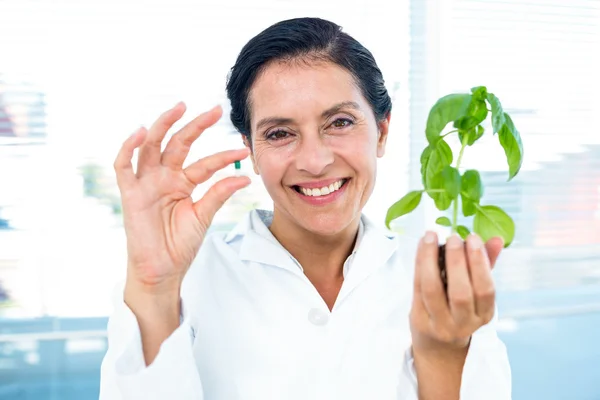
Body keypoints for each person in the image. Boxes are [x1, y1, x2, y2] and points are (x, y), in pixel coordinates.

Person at [99, 17, 511, 400]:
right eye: (280, 133)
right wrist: (153, 288)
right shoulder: (185, 280)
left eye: (340, 123)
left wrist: (442, 353)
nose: (314, 161)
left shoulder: (442, 282)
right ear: (252, 151)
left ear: (382, 131)